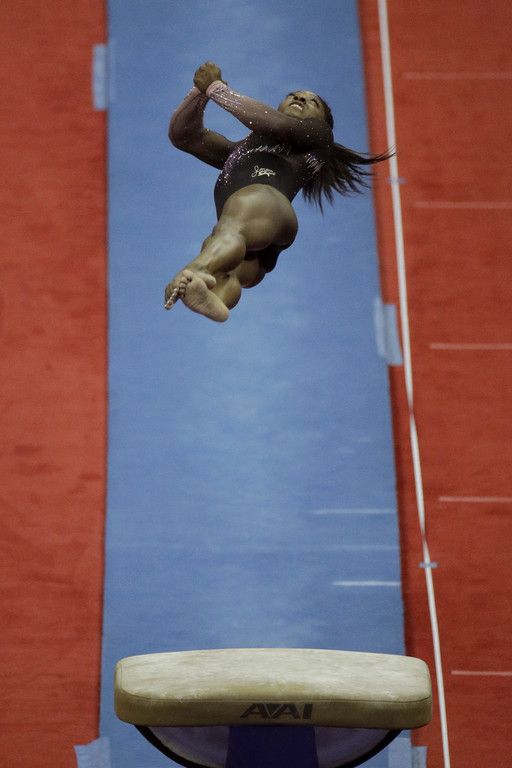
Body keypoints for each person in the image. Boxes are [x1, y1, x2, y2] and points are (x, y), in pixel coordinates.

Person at [165, 62, 390, 322]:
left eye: (312, 102)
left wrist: (217, 90)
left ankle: (195, 270)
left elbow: (278, 126)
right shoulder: (239, 152)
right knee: (228, 268)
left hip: (268, 207)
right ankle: (215, 299)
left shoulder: (318, 135)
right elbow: (184, 136)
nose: (300, 99)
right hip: (252, 237)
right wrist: (199, 93)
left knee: (236, 219)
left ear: (321, 121)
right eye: (293, 95)